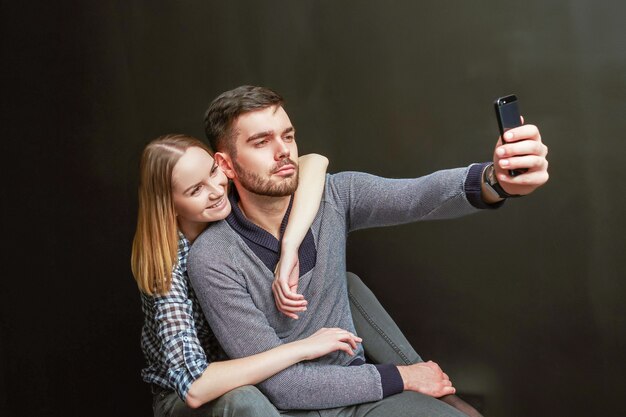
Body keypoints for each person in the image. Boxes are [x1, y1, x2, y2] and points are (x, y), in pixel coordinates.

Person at [187, 85, 549, 416]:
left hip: (367, 400)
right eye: (261, 142)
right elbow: (282, 386)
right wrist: (402, 377)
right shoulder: (214, 257)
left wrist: (495, 181)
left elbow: (418, 196)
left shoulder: (334, 195)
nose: (283, 151)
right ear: (225, 165)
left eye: (288, 135)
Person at [130, 134, 366, 417]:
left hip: (251, 359)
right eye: (195, 190)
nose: (216, 191)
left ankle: (421, 380)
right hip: (198, 394)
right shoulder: (167, 274)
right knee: (245, 399)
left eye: (214, 172)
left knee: (348, 285)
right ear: (168, 205)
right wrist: (303, 349)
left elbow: (314, 163)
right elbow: (195, 387)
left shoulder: (227, 200)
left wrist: (290, 245)